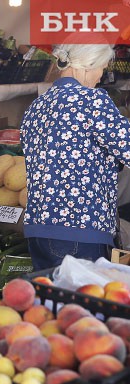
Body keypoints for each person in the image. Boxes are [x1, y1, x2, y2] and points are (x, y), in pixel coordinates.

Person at [21, 43, 130, 271]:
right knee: (82, 304)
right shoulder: (92, 101)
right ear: (87, 66)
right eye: (101, 68)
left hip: (38, 230)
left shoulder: (36, 106)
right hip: (81, 229)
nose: (101, 77)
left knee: (51, 304)